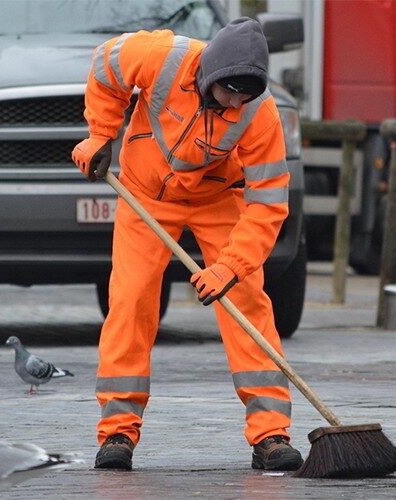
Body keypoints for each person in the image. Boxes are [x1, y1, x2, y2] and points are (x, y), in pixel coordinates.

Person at [72, 17, 302, 472]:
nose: (235, 104)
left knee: (246, 299)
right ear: (210, 72)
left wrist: (231, 266)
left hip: (218, 198)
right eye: (229, 93)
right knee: (131, 299)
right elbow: (105, 65)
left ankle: (271, 433)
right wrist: (100, 133)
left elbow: (268, 204)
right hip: (145, 194)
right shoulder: (160, 56)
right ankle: (117, 431)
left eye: (245, 96)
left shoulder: (261, 113)